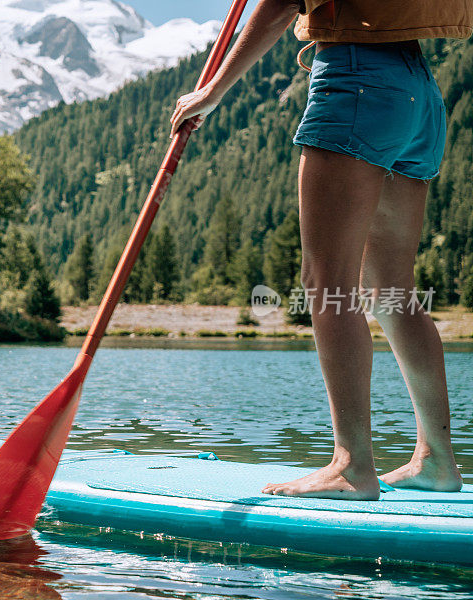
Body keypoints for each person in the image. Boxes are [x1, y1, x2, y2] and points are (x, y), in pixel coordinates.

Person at [170, 0, 471, 500]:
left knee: (328, 283)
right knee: (391, 291)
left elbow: (281, 4)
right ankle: (437, 460)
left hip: (356, 79)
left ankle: (351, 466)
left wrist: (212, 91)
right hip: (418, 90)